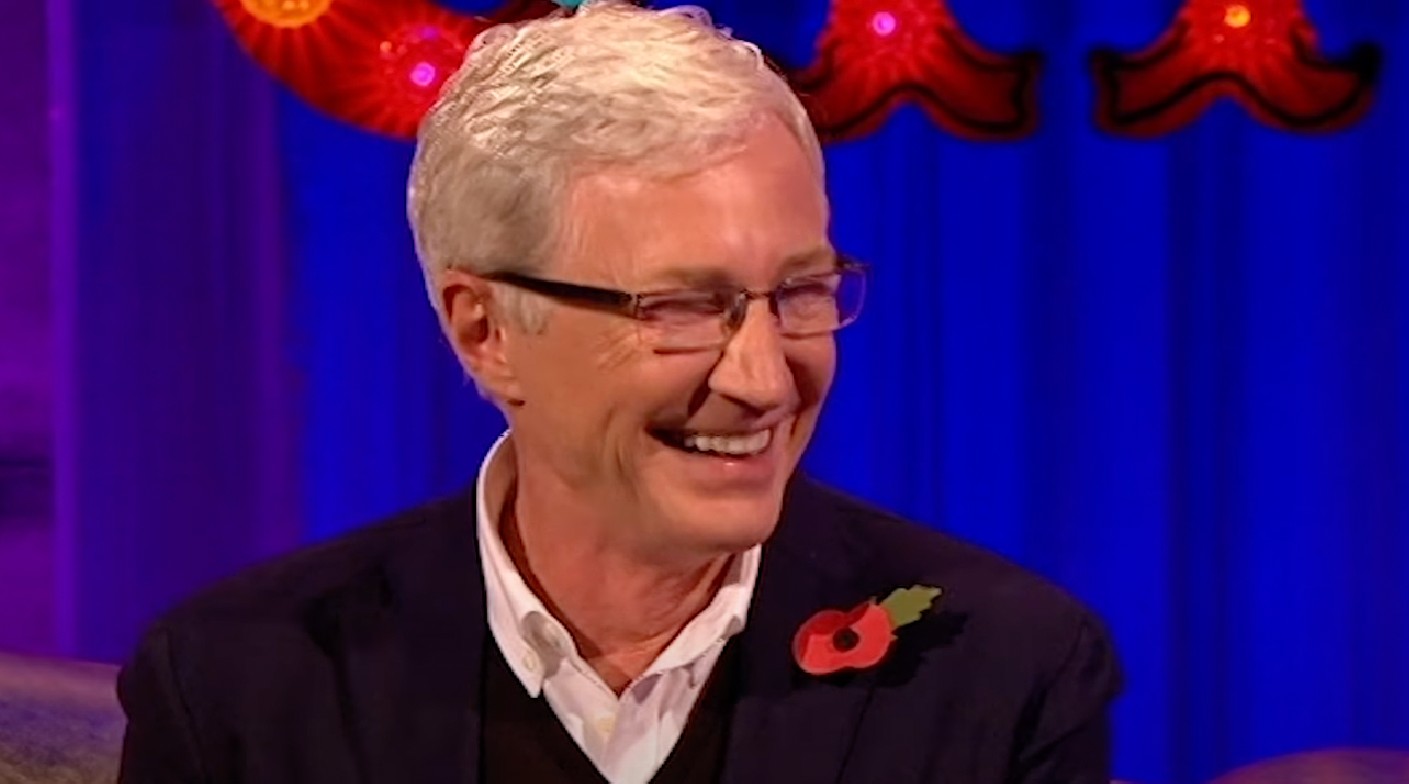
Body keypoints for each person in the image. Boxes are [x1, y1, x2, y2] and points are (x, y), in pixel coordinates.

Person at [116, 2, 1122, 782]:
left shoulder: (1002, 669)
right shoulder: (237, 691)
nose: (763, 377)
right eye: (682, 307)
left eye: (801, 293)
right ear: (486, 330)